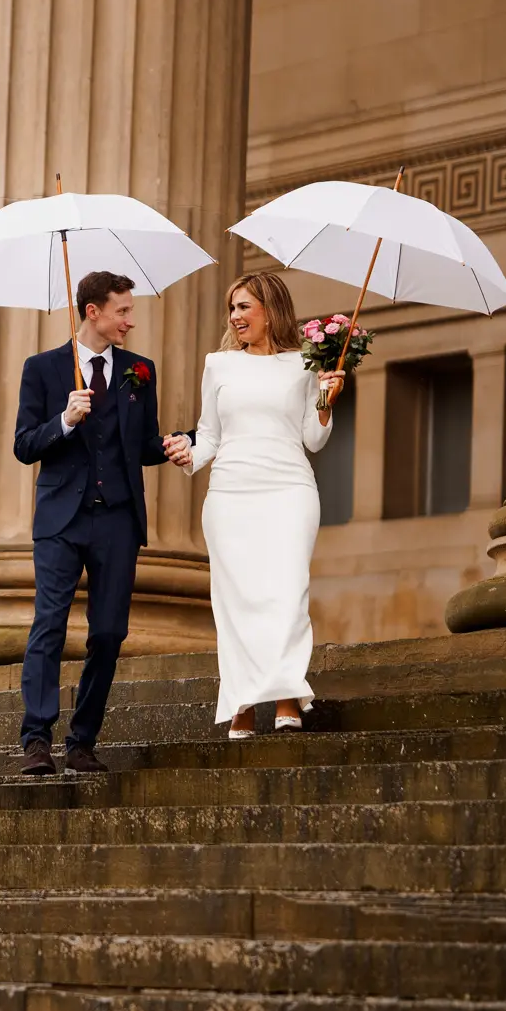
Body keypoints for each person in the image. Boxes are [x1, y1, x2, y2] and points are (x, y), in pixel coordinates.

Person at [11, 270, 182, 775]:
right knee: (49, 625)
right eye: (123, 311)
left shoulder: (139, 370)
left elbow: (142, 444)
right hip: (62, 518)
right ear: (93, 312)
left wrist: (174, 444)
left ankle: (82, 740)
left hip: (118, 519)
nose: (131, 319)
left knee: (108, 634)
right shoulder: (42, 369)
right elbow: (24, 445)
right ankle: (36, 738)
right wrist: (64, 420)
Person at [164, 271, 343, 739]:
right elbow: (210, 436)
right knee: (236, 602)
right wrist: (187, 454)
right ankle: (241, 702)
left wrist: (326, 400)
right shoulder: (218, 365)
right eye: (232, 308)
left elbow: (313, 438)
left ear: (271, 309)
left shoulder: (305, 363)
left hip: (289, 488)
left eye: (244, 307)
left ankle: (286, 696)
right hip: (230, 494)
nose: (235, 317)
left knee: (288, 593)